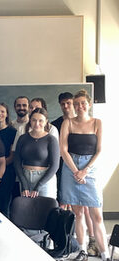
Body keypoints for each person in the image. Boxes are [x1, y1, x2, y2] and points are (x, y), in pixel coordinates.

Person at [59, 90, 109, 261]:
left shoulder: (97, 123)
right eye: (77, 103)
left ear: (88, 104)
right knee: (78, 213)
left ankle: (105, 255)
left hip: (90, 169)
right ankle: (83, 251)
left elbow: (100, 150)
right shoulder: (68, 123)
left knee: (97, 214)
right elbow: (63, 150)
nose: (80, 106)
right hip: (70, 167)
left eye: (83, 103)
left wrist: (85, 171)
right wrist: (75, 171)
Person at [14, 108, 59, 199]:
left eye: (40, 120)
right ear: (30, 121)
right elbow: (17, 162)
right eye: (34, 120)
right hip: (25, 177)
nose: (37, 123)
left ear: (46, 121)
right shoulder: (23, 138)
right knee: (26, 211)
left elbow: (55, 166)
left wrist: (39, 186)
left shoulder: (51, 139)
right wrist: (24, 184)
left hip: (45, 180)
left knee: (45, 211)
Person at [0, 103, 17, 217]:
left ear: (7, 114)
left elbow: (13, 155)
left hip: (7, 172)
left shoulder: (13, 132)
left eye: (2, 111)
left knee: (5, 204)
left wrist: (1, 165)